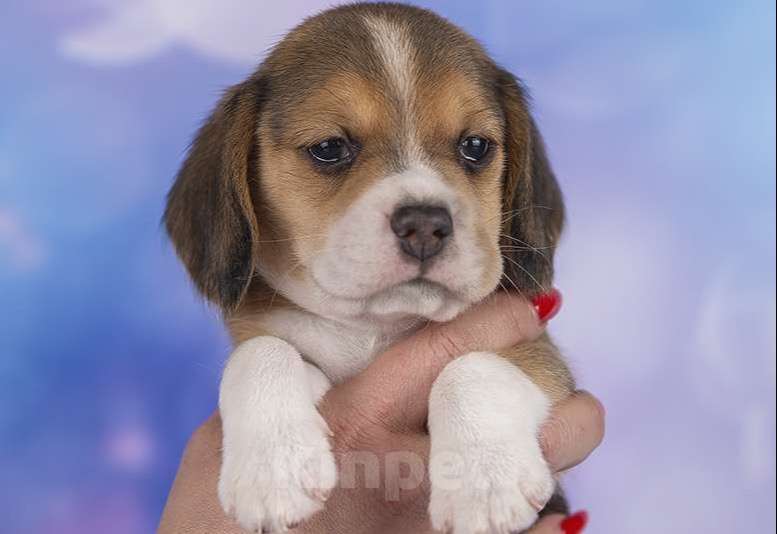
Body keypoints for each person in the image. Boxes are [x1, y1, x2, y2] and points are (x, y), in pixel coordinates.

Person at [159, 293, 605, 534]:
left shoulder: (486, 296)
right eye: (329, 154)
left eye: (473, 154)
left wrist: (479, 398)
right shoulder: (271, 332)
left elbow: (548, 381)